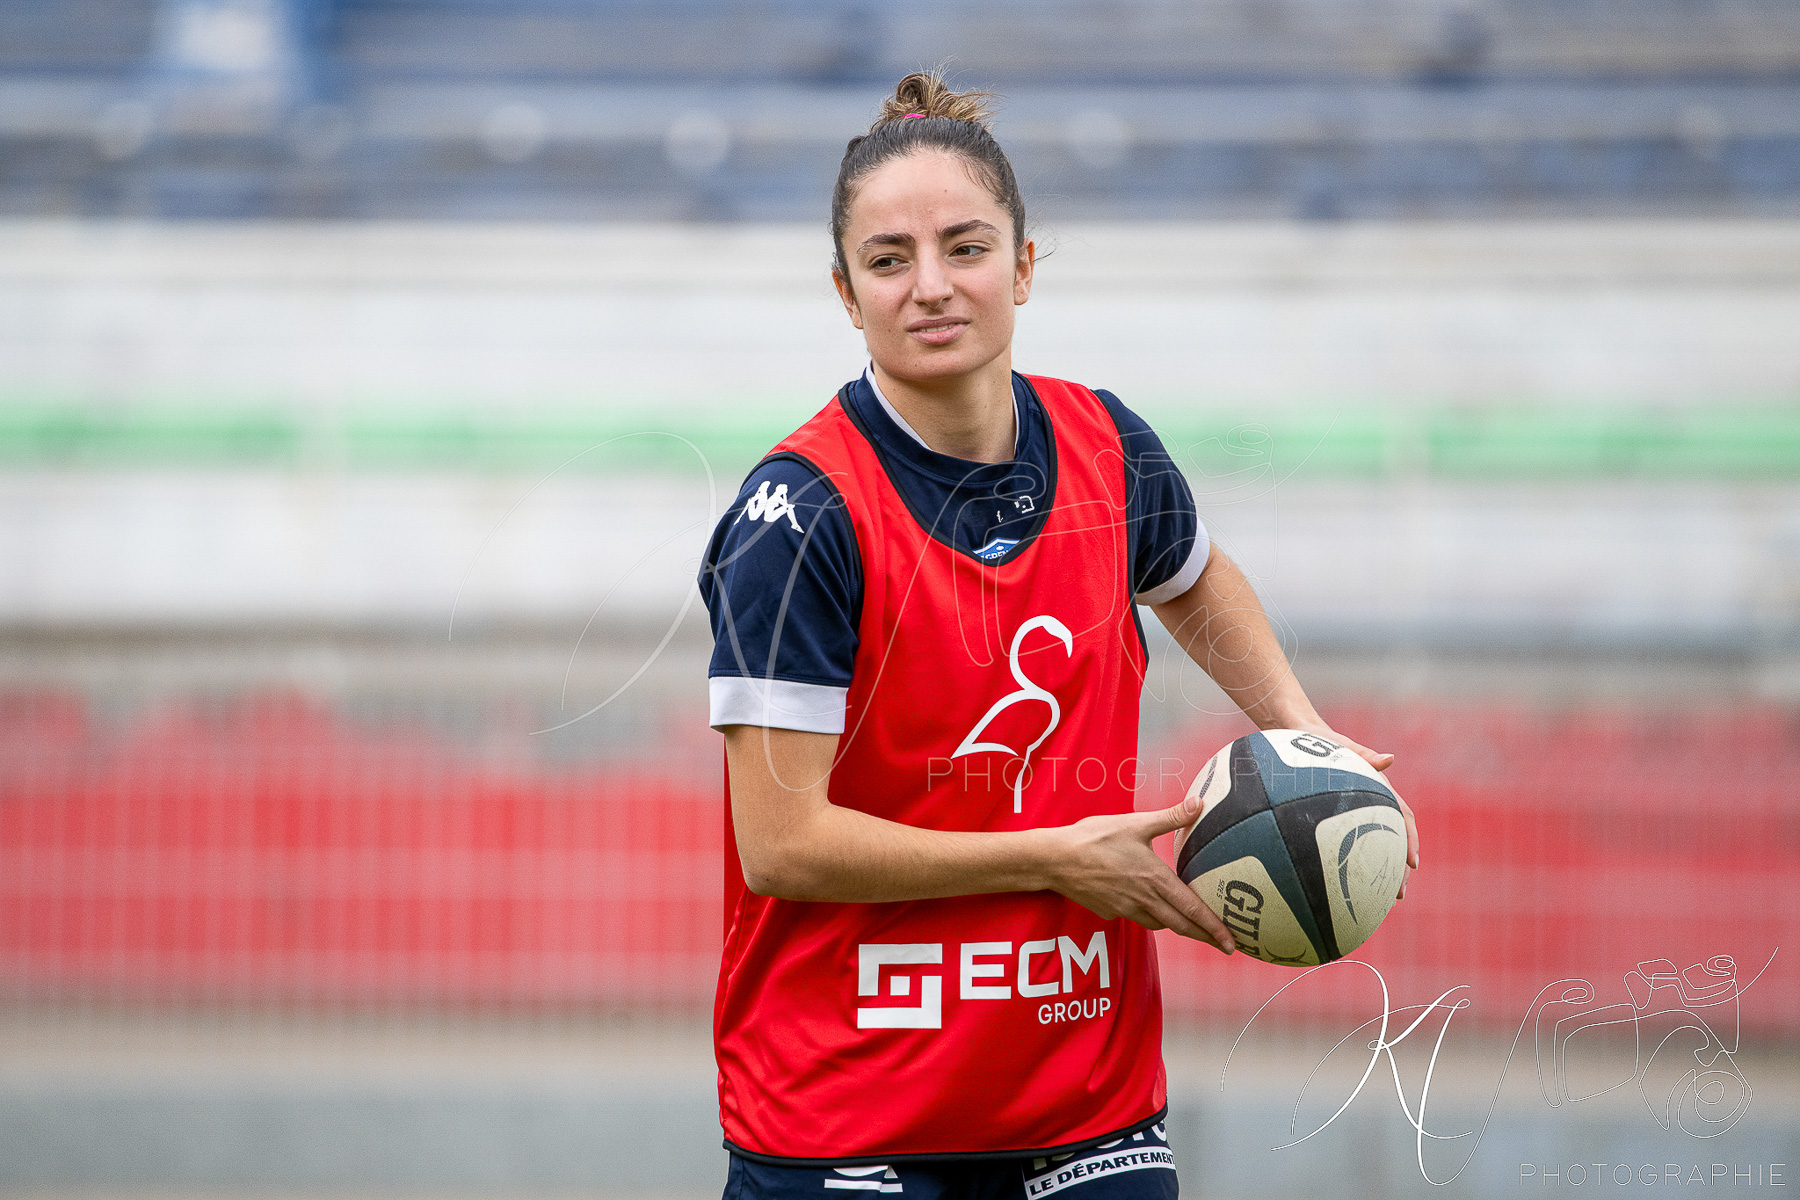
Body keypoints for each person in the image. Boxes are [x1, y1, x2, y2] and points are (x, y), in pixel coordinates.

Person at [696, 71, 1419, 1200]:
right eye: (889, 261)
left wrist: (1308, 740)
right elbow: (782, 845)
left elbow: (1194, 578)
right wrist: (1051, 858)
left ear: (1025, 266)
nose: (930, 287)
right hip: (842, 1108)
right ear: (846, 294)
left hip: (1081, 1093)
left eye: (966, 248)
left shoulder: (1105, 444)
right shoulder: (800, 515)